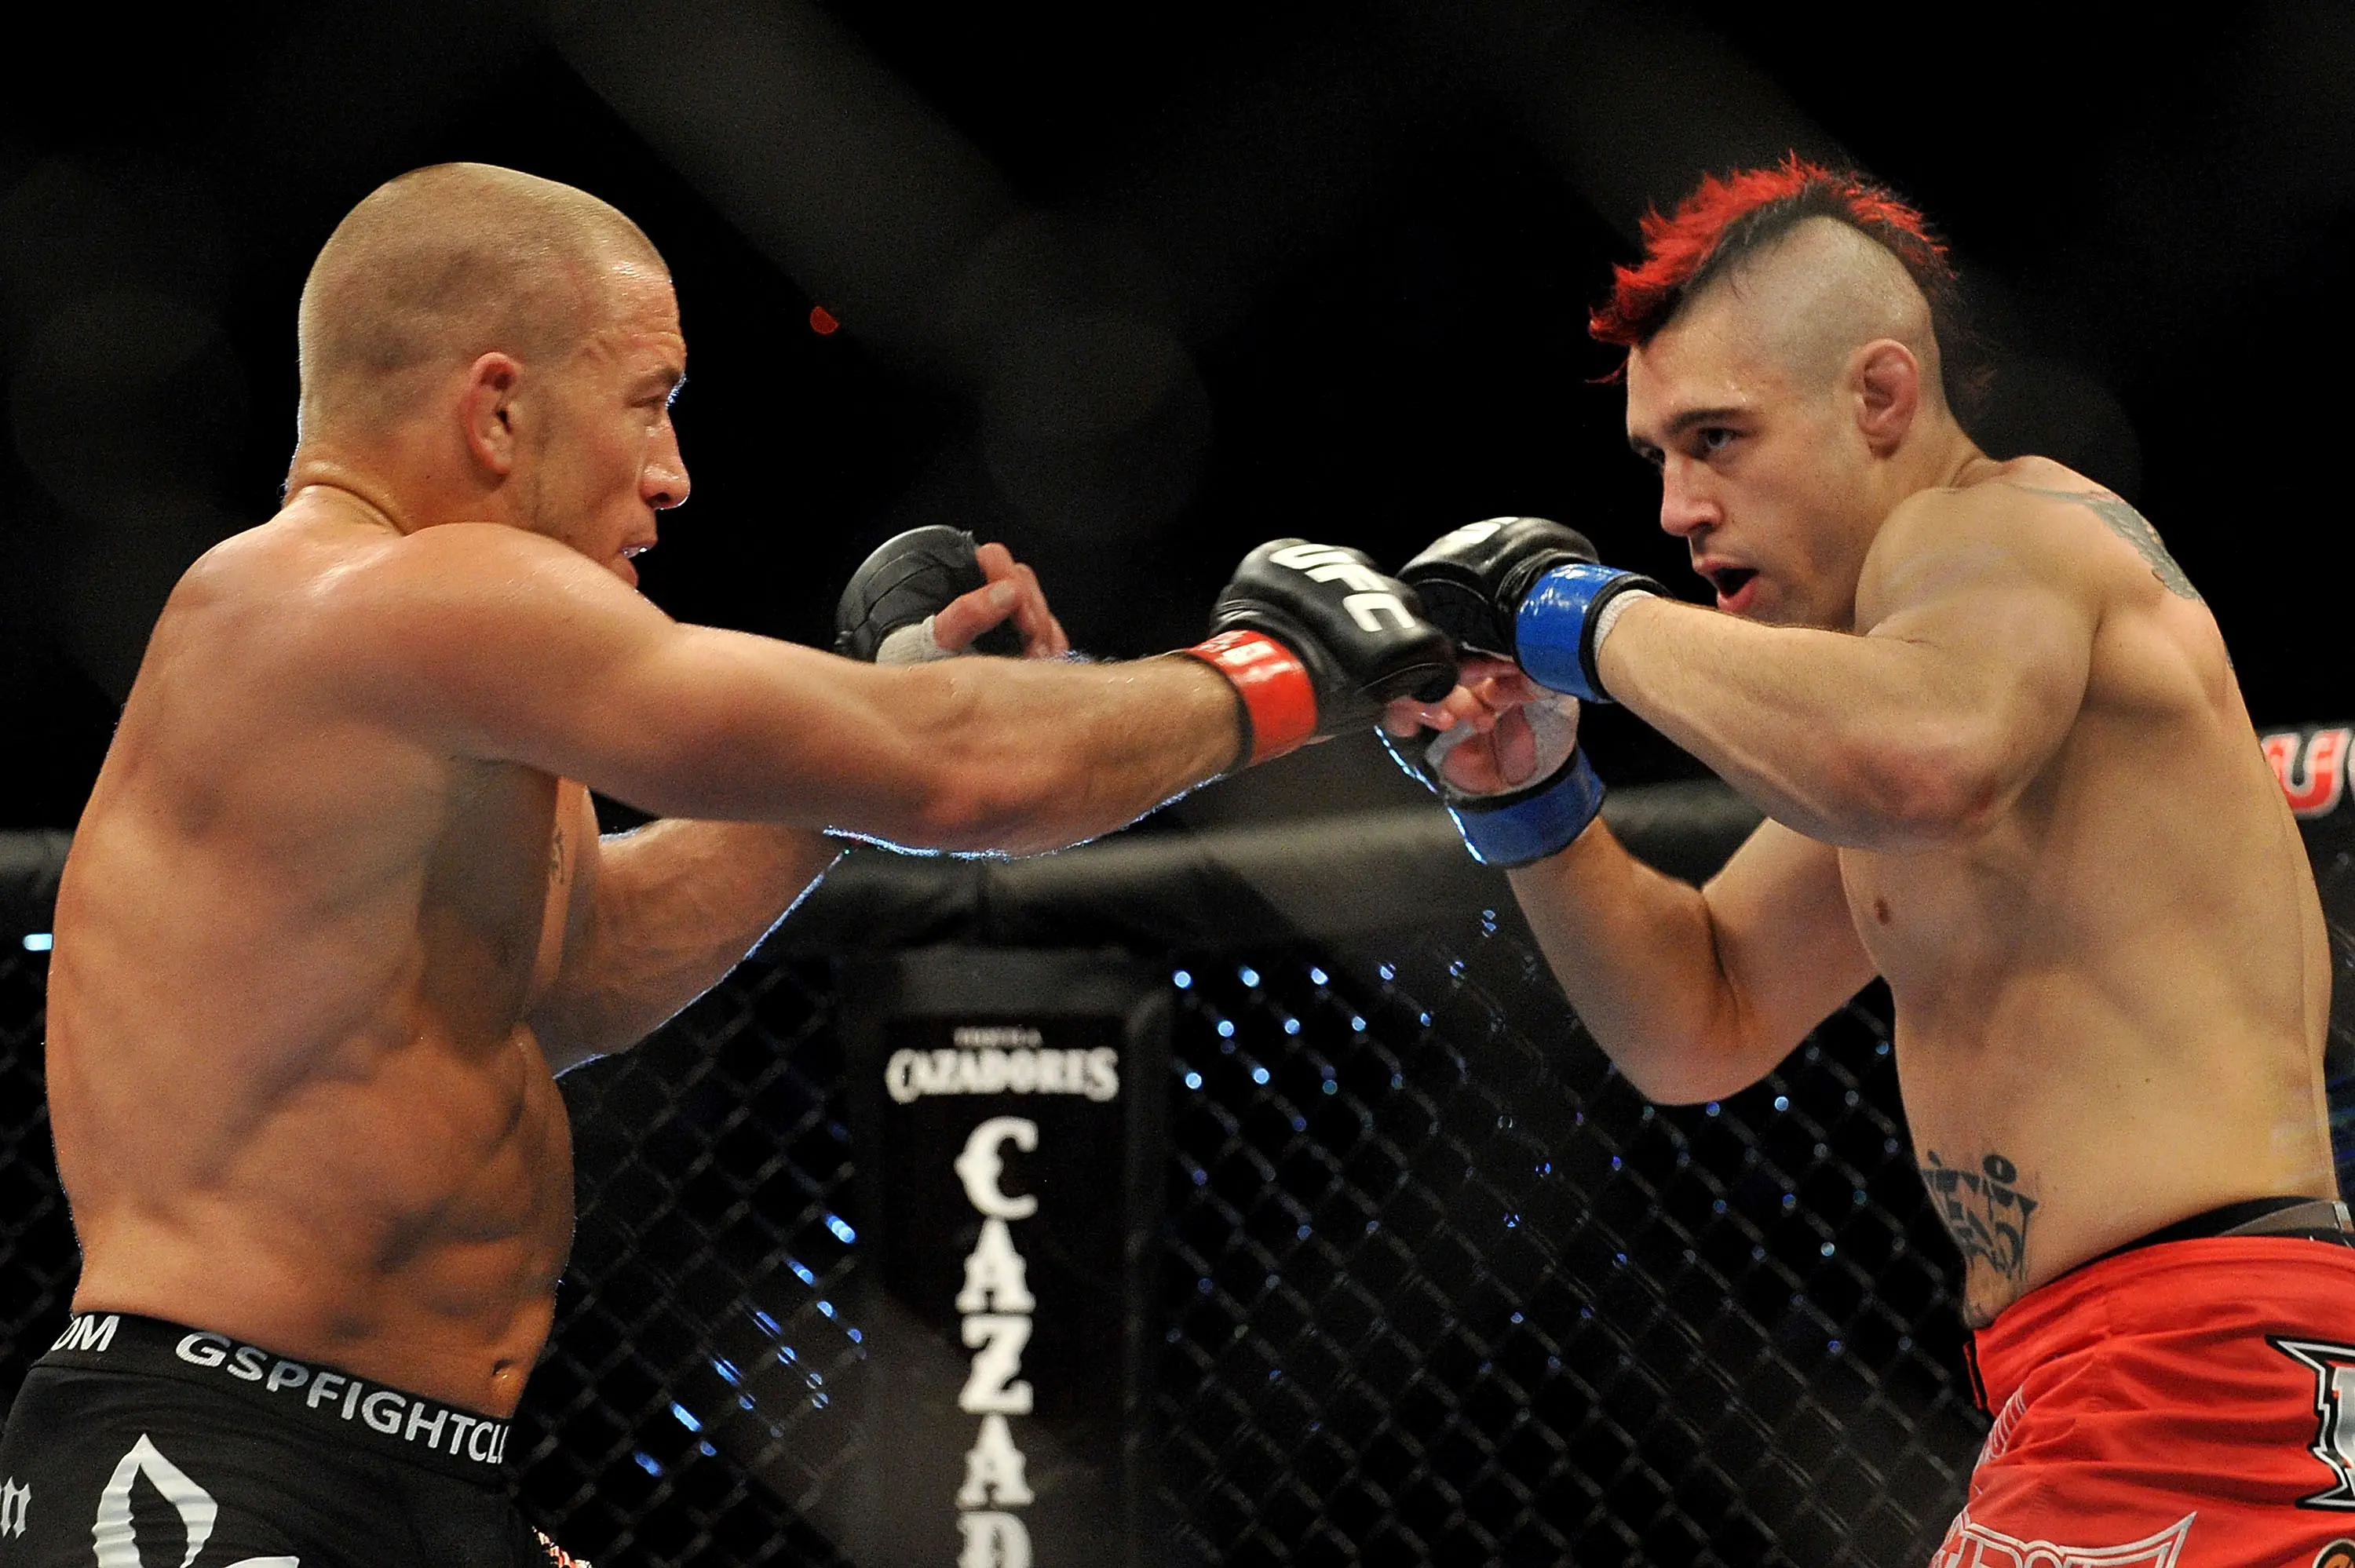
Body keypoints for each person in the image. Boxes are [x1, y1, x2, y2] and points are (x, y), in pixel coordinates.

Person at [0, 162, 1449, 1568]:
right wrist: (1281, 671)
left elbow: (579, 972)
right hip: (222, 1459)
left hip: (409, 1465)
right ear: (499, 409)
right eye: (652, 403)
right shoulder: (392, 597)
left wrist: (830, 784)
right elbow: (961, 773)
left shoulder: (396, 670)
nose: (674, 474)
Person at [1386, 159, 2355, 1563]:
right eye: (1655, 457)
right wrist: (1529, 791)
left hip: (2185, 1360)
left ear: (1881, 397)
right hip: (2098, 1372)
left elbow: (1929, 756)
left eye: (1717, 438)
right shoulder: (1895, 714)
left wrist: (1573, 618)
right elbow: (1698, 1016)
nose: (1675, 510)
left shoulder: (1998, 533)